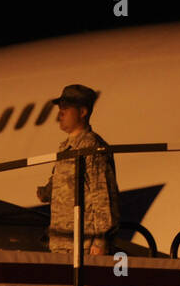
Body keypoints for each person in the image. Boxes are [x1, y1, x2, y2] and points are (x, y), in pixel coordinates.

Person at [35, 84, 120, 256]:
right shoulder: (65, 148)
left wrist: (100, 241)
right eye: (60, 109)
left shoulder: (92, 147)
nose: (60, 114)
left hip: (84, 245)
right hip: (61, 243)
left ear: (82, 112)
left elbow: (102, 196)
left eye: (66, 109)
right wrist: (46, 192)